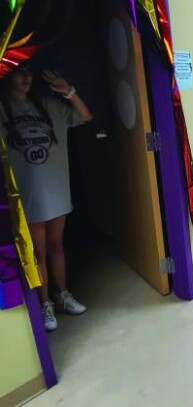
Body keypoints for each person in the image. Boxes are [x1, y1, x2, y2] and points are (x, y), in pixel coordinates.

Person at [0, 66, 93, 331]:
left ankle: (62, 295)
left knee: (56, 246)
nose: (26, 77)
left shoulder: (48, 106)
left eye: (29, 72)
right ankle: (44, 304)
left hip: (55, 188)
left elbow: (86, 116)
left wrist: (70, 92)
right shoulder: (3, 111)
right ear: (6, 76)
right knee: (37, 252)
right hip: (27, 194)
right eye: (19, 73)